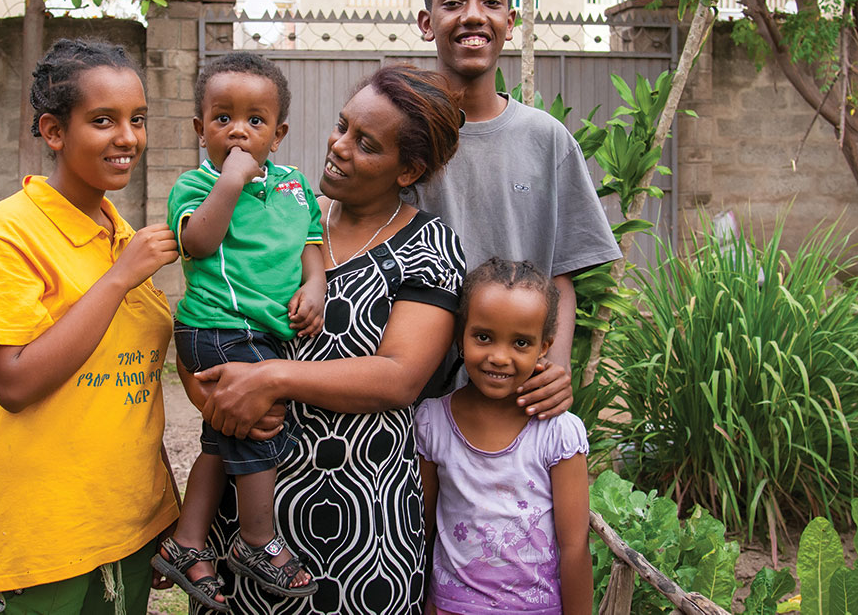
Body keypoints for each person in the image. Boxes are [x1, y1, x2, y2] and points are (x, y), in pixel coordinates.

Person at [184, 64, 467, 615]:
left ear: (408, 170)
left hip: (362, 525)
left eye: (366, 144)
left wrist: (269, 378)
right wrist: (210, 393)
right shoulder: (279, 213)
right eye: (342, 126)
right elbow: (209, 313)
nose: (338, 146)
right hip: (248, 511)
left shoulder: (428, 246)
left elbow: (399, 377)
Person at [0, 38, 180, 615]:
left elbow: (133, 392)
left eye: (137, 119)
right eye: (103, 121)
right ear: (54, 131)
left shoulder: (121, 237)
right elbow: (14, 383)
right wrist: (118, 280)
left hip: (126, 528)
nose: (128, 138)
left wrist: (166, 510)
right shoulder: (9, 234)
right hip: (38, 535)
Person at [414, 0, 621, 413]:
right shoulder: (405, 135)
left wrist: (557, 364)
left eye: (490, 2)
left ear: (510, 22)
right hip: (415, 399)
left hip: (517, 399)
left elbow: (560, 274)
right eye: (453, 2)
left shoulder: (547, 139)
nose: (473, 15)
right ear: (427, 23)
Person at [154, 52, 325, 611]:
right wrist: (230, 180)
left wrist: (316, 283)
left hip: (264, 332)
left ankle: (186, 541)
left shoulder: (295, 185)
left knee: (221, 437)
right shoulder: (195, 184)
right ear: (200, 127)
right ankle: (256, 539)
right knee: (257, 434)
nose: (238, 130)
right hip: (218, 325)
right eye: (222, 117)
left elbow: (311, 240)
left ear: (278, 134)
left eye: (255, 120)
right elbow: (198, 242)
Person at [416, 258, 591, 615]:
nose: (499, 357)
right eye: (483, 337)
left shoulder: (557, 433)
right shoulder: (433, 423)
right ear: (460, 337)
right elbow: (422, 532)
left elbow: (575, 547)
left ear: (544, 347)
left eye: (521, 343)